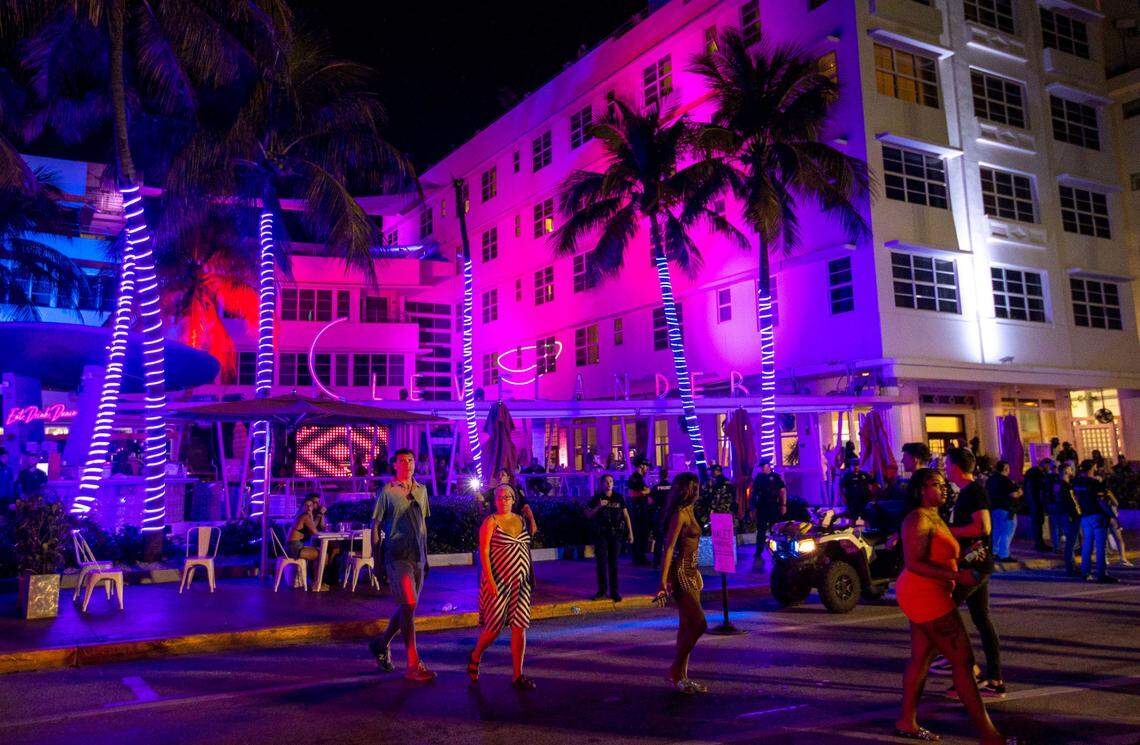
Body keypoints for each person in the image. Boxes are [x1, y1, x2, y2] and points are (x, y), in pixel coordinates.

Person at [894, 468, 1004, 744]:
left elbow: (938, 554)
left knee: (920, 659)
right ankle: (990, 736)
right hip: (926, 595)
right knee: (963, 663)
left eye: (944, 485)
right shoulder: (917, 518)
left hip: (931, 592)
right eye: (936, 485)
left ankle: (907, 722)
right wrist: (957, 575)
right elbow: (914, 562)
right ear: (920, 489)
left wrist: (966, 556)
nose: (943, 489)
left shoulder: (934, 516)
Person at [367, 448, 436, 682]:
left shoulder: (422, 491)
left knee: (408, 607)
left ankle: (381, 643)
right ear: (394, 465)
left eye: (410, 460)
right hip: (396, 556)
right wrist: (377, 562)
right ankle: (413, 663)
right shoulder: (387, 491)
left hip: (417, 557)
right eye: (401, 461)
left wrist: (427, 558)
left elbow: (422, 528)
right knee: (408, 605)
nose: (407, 464)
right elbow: (375, 528)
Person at [944, 447, 1005, 698]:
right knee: (981, 619)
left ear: (956, 466)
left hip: (975, 566)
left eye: (947, 464)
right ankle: (994, 679)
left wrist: (950, 530)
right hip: (977, 564)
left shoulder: (974, 491)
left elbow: (983, 527)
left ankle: (970, 674)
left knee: (943, 614)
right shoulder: (967, 492)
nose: (945, 468)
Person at [467, 483, 536, 689]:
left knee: (519, 626)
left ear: (514, 500)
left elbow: (531, 535)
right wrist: (489, 580)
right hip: (499, 581)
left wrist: (530, 513)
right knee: (494, 627)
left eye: (507, 497)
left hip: (521, 583)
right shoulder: (490, 522)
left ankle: (518, 675)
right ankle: (476, 655)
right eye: (499, 497)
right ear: (494, 501)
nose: (503, 500)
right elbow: (484, 552)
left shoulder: (521, 520)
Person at [656, 472, 708, 694]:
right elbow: (669, 549)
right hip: (681, 573)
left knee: (687, 625)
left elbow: (692, 546)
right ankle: (675, 669)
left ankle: (682, 677)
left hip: (692, 571)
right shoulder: (680, 515)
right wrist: (662, 581)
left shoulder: (690, 511)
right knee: (699, 623)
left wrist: (697, 572)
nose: (698, 491)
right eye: (694, 487)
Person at [585, 474, 633, 601]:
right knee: (601, 563)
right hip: (601, 534)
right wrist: (598, 506)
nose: (608, 484)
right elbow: (588, 514)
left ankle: (614, 592)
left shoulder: (618, 497)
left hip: (616, 534)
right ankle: (601, 591)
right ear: (601, 484)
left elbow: (626, 516)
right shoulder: (597, 498)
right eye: (606, 482)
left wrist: (630, 533)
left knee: (614, 564)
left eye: (611, 481)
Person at [1072, 461, 1118, 584]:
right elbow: (1101, 501)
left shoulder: (1076, 482)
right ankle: (1101, 574)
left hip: (1085, 516)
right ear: (1092, 468)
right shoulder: (1094, 483)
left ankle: (1085, 572)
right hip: (1098, 516)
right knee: (1100, 546)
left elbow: (1076, 499)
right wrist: (1112, 516)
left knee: (1087, 545)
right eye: (1095, 468)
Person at [1047, 462, 1081, 573]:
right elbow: (1072, 502)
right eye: (1071, 469)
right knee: (1071, 542)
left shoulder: (1057, 484)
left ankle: (1070, 565)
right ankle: (1071, 566)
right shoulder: (1066, 486)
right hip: (1069, 515)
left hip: (1060, 513)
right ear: (1066, 471)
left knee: (1068, 542)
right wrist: (1078, 514)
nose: (1072, 471)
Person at [482, 468, 538, 536]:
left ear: (508, 477)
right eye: (498, 475)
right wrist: (476, 491)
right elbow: (482, 499)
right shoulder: (492, 492)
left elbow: (526, 507)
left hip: (514, 526)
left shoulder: (516, 491)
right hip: (497, 527)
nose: (500, 477)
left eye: (503, 475)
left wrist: (533, 522)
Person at [986, 461, 1021, 563]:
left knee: (996, 531)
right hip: (1006, 509)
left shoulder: (991, 479)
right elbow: (1013, 494)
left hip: (994, 509)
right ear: (1005, 469)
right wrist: (1020, 492)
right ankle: (1004, 554)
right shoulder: (1005, 480)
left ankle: (994, 553)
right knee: (1007, 532)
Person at [750, 459, 786, 550]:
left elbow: (783, 491)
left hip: (773, 505)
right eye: (761, 467)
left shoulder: (776, 477)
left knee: (774, 528)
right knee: (761, 529)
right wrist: (753, 507)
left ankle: (777, 549)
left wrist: (783, 505)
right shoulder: (759, 478)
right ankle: (759, 550)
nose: (762, 468)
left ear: (768, 466)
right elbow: (753, 493)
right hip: (762, 506)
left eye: (764, 466)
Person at [1021, 458, 1052, 552]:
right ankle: (1039, 544)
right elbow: (1040, 489)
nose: (1049, 468)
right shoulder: (1038, 474)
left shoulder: (1031, 472)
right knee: (1038, 522)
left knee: (1036, 522)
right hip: (1036, 501)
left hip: (1031, 500)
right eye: (1048, 466)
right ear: (1044, 464)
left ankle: (1039, 543)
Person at [628, 459, 652, 565]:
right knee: (639, 533)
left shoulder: (638, 478)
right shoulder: (636, 477)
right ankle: (639, 557)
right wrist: (648, 491)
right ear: (642, 466)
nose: (647, 469)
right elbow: (636, 493)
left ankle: (639, 557)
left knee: (641, 533)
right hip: (638, 510)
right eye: (646, 466)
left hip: (640, 508)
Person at [648, 467, 671, 570]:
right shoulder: (672, 487)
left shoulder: (655, 487)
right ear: (668, 476)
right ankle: (669, 561)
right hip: (670, 515)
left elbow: (650, 501)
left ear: (660, 476)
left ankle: (656, 562)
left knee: (659, 539)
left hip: (659, 514)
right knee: (670, 539)